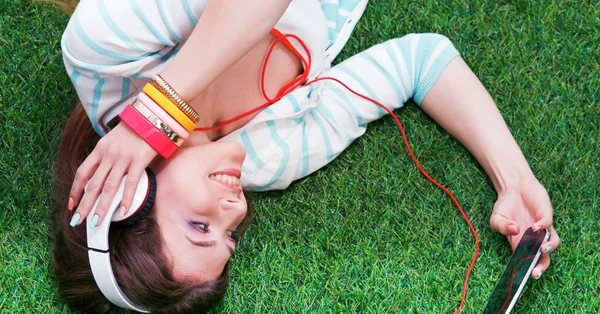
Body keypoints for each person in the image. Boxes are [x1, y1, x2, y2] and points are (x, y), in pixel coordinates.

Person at [51, 0, 561, 313]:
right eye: (229, 237)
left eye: (198, 227)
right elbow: (418, 64)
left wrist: (157, 115)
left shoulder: (104, 53)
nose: (234, 213)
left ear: (127, 195)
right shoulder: (271, 159)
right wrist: (512, 179)